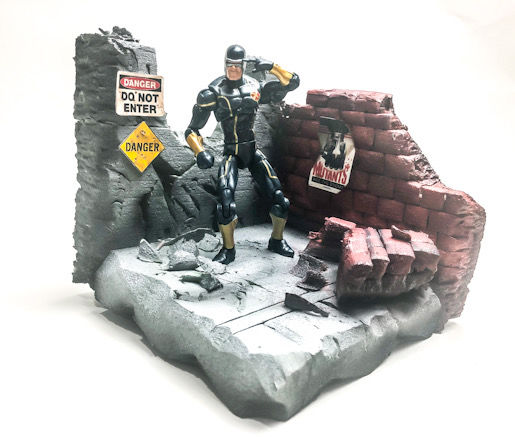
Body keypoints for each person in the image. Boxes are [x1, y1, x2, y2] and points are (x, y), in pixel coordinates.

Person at [185, 44, 300, 264]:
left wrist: (272, 66)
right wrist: (200, 152)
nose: (233, 69)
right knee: (226, 204)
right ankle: (228, 250)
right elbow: (192, 130)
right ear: (224, 63)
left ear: (243, 65)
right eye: (229, 64)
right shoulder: (213, 93)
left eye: (237, 65)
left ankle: (276, 240)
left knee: (280, 200)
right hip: (231, 152)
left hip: (252, 150)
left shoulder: (255, 87)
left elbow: (292, 82)